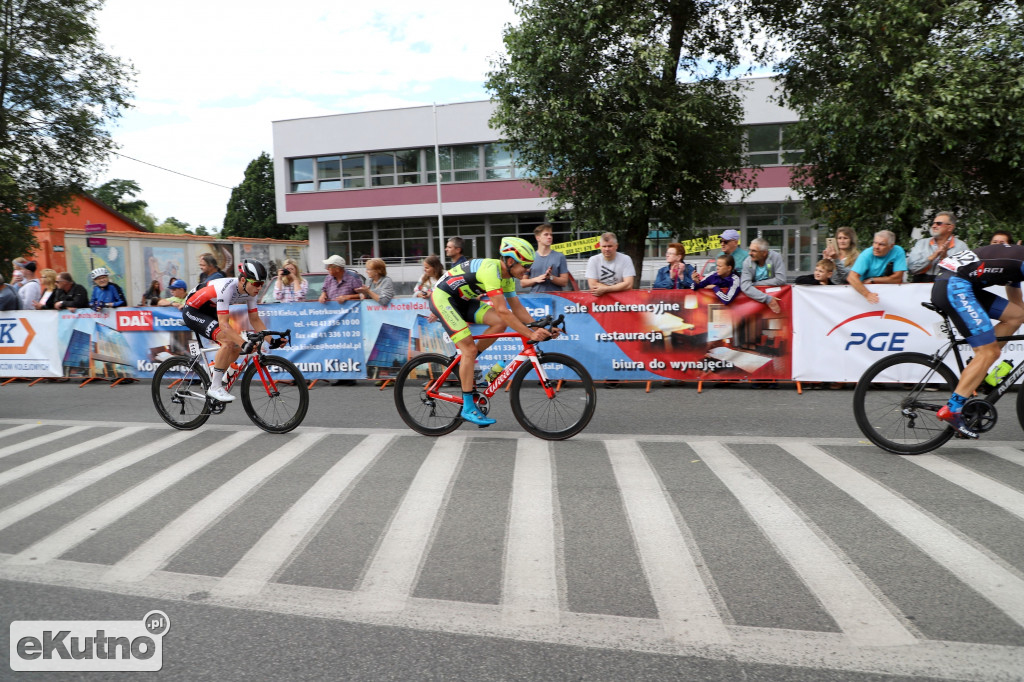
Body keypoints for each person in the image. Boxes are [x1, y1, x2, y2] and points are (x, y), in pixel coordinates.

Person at [429, 237, 553, 426]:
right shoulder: (491, 271)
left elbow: (517, 309)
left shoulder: (508, 278)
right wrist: (530, 334)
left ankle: (466, 360)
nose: (527, 270)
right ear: (510, 261)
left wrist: (543, 328)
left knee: (499, 324)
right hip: (443, 298)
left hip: (463, 300)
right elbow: (503, 310)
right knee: (470, 348)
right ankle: (468, 407)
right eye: (525, 265)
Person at [930, 244, 1024, 438]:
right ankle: (953, 410)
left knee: (1016, 316)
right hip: (955, 286)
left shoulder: (1017, 259)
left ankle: (977, 369)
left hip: (956, 283)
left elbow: (1016, 303)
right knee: (988, 352)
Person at [182, 259, 278, 403]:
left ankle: (215, 377)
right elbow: (224, 325)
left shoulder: (251, 292)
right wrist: (244, 342)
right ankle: (215, 387)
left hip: (210, 309)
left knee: (236, 345)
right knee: (228, 341)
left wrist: (272, 340)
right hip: (193, 310)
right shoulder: (227, 288)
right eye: (257, 283)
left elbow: (255, 320)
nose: (259, 288)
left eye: (262, 284)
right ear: (244, 280)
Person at [846, 230, 907, 304]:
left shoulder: (898, 251)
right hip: (863, 292)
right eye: (875, 243)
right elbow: (851, 278)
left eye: (881, 244)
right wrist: (867, 294)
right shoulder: (866, 254)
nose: (876, 247)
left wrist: (873, 280)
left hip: (886, 293)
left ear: (891, 246)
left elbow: (897, 279)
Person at [907, 212, 969, 283]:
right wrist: (933, 256)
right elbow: (912, 269)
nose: (934, 226)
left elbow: (965, 273)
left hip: (946, 286)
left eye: (938, 223)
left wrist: (945, 258)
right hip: (920, 287)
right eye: (933, 223)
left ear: (950, 228)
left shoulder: (961, 246)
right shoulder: (922, 243)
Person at [740, 238, 787, 313]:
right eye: (750, 250)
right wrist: (767, 299)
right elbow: (745, 286)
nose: (749, 253)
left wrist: (755, 284)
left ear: (764, 253)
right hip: (755, 300)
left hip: (776, 297)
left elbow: (781, 279)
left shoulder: (776, 257)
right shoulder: (747, 262)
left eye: (754, 251)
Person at [522, 223, 569, 292]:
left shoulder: (560, 256)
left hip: (556, 298)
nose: (549, 237)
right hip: (535, 299)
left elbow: (564, 282)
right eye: (546, 234)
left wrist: (550, 277)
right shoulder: (529, 258)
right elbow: (523, 283)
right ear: (538, 238)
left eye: (551, 234)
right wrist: (536, 279)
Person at [586, 232, 635, 296]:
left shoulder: (626, 259)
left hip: (621, 300)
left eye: (610, 246)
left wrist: (606, 289)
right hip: (599, 301)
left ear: (616, 246)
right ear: (600, 246)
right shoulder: (593, 260)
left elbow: (628, 284)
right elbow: (592, 285)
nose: (607, 249)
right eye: (604, 246)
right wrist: (616, 288)